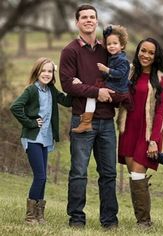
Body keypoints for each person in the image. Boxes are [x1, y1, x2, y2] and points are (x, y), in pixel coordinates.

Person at [59, 4, 119, 229]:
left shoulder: (107, 50)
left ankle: (109, 221)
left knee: (109, 173)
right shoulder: (70, 51)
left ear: (97, 21)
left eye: (92, 17)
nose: (88, 20)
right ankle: (76, 219)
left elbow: (118, 80)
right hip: (82, 119)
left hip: (106, 121)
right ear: (77, 22)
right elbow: (67, 85)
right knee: (78, 172)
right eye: (84, 17)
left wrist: (84, 86)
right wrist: (96, 91)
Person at [117, 37, 163, 227]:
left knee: (139, 173)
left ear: (156, 56)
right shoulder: (130, 73)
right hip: (129, 129)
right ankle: (142, 219)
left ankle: (144, 222)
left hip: (148, 134)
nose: (146, 55)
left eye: (150, 52)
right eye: (143, 51)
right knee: (134, 175)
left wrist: (154, 140)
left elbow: (160, 112)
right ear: (138, 51)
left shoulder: (161, 78)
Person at [10, 57, 72, 225]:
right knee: (40, 176)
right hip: (32, 138)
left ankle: (39, 216)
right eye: (43, 70)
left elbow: (67, 101)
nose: (46, 74)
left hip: (45, 138)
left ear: (53, 74)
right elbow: (15, 107)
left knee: (43, 177)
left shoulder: (52, 90)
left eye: (50, 71)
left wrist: (75, 85)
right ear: (37, 72)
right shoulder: (31, 90)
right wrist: (30, 122)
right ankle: (30, 217)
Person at [72, 24, 132, 133]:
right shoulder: (114, 57)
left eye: (115, 43)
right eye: (109, 44)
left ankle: (86, 122)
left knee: (93, 92)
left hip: (116, 90)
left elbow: (120, 73)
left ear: (122, 45)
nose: (111, 46)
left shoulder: (122, 60)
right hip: (120, 91)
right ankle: (127, 104)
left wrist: (106, 70)